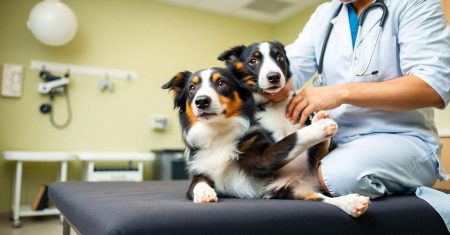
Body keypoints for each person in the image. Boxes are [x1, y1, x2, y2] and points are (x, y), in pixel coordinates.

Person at [264, 0, 450, 231]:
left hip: (403, 139)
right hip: (335, 144)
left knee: (340, 175)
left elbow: (432, 86)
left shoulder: (414, 3)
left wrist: (342, 92)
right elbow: (288, 70)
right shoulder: (325, 14)